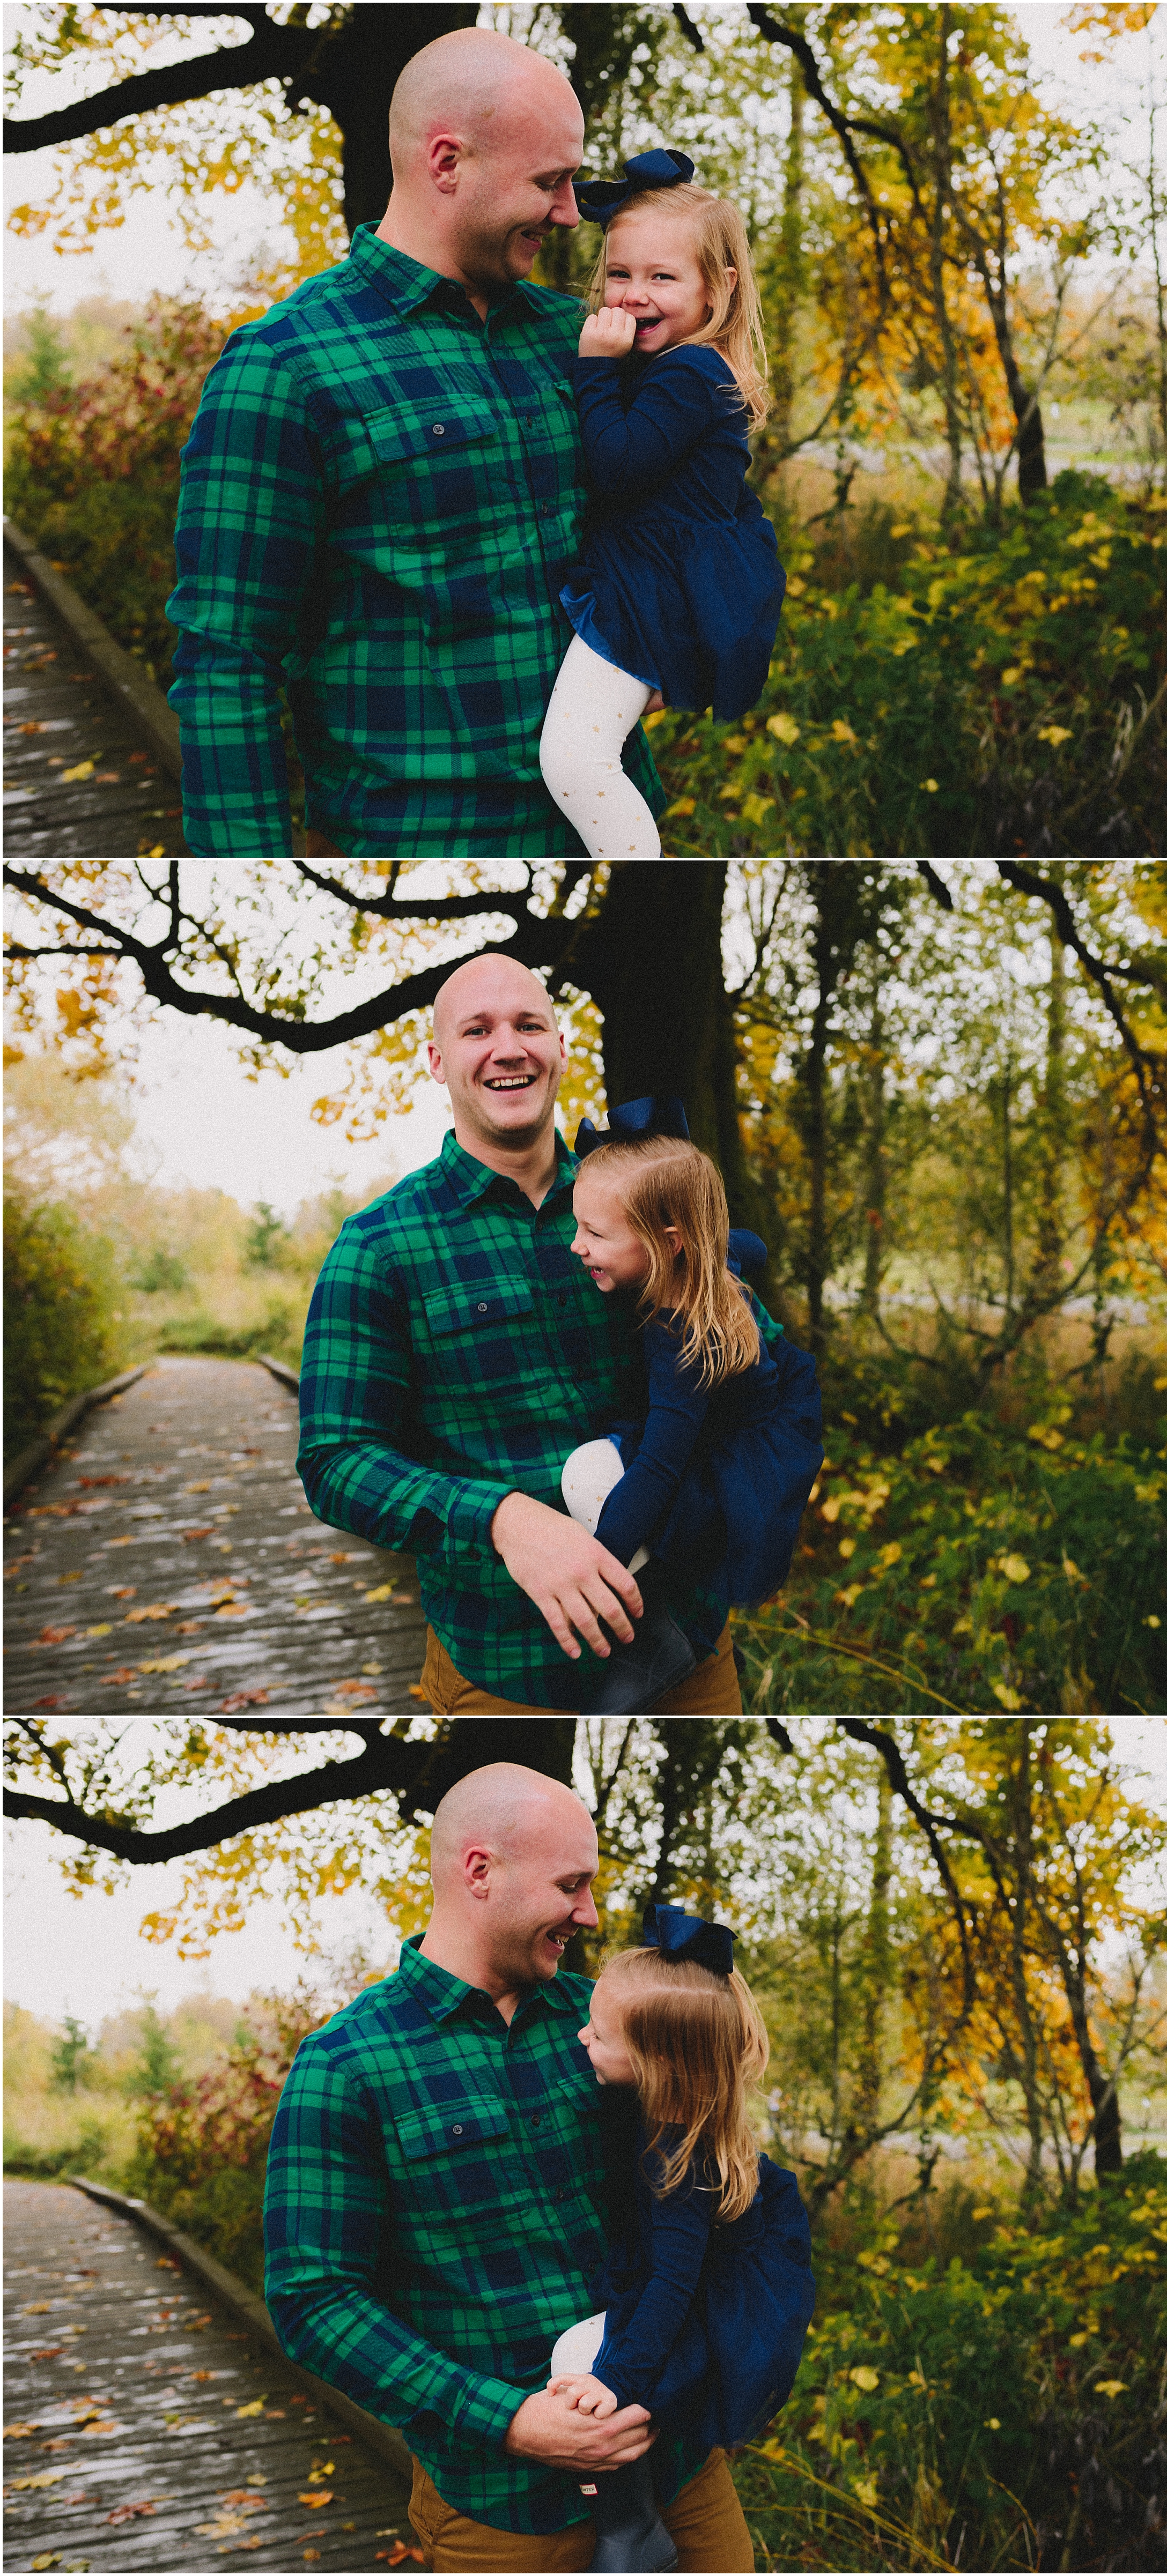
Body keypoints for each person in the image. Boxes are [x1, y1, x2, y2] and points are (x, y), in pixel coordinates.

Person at [166, 26, 664, 857]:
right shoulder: (285, 366)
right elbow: (228, 661)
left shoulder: (577, 340)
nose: (571, 211)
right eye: (552, 181)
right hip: (416, 837)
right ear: (446, 162)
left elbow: (661, 511)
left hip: (613, 830)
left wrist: (672, 636)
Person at [263, 1763, 757, 2573]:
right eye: (573, 1885)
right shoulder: (348, 2065)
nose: (588, 1913)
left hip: (679, 2471)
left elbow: (705, 2181)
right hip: (507, 2509)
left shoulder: (610, 2021)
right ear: (481, 1871)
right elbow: (315, 2301)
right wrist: (513, 2418)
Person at [296, 951, 775, 1712]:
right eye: (476, 1030)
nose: (508, 1047)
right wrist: (502, 1518)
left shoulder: (647, 1197)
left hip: (693, 1652)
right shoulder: (379, 1248)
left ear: (559, 1047)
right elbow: (335, 1461)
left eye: (529, 1024)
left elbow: (736, 1355)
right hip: (510, 1673)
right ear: (437, 1060)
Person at [543, 1903, 816, 2573]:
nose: (582, 2038)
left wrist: (618, 2376)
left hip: (706, 2308)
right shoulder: (663, 2109)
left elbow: (675, 2282)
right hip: (679, 2283)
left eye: (600, 2036)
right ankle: (626, 2514)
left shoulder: (679, 2160)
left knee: (576, 2353)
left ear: (653, 2060)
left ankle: (627, 2525)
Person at [538, 152, 785, 860]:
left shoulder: (691, 371)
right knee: (588, 749)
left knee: (578, 764)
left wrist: (594, 370)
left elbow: (617, 467)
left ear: (718, 289)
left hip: (649, 596)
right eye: (620, 274)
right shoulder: (677, 366)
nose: (634, 294)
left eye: (662, 277)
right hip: (648, 582)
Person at [558, 1098, 823, 1717]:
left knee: (590, 1470)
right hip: (770, 1408)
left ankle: (656, 1620)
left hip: (729, 1455)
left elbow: (659, 1468)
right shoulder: (712, 1260)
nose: (577, 1246)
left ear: (668, 1242)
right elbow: (747, 1244)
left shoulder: (679, 1334)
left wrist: (596, 1569)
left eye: (595, 1233)